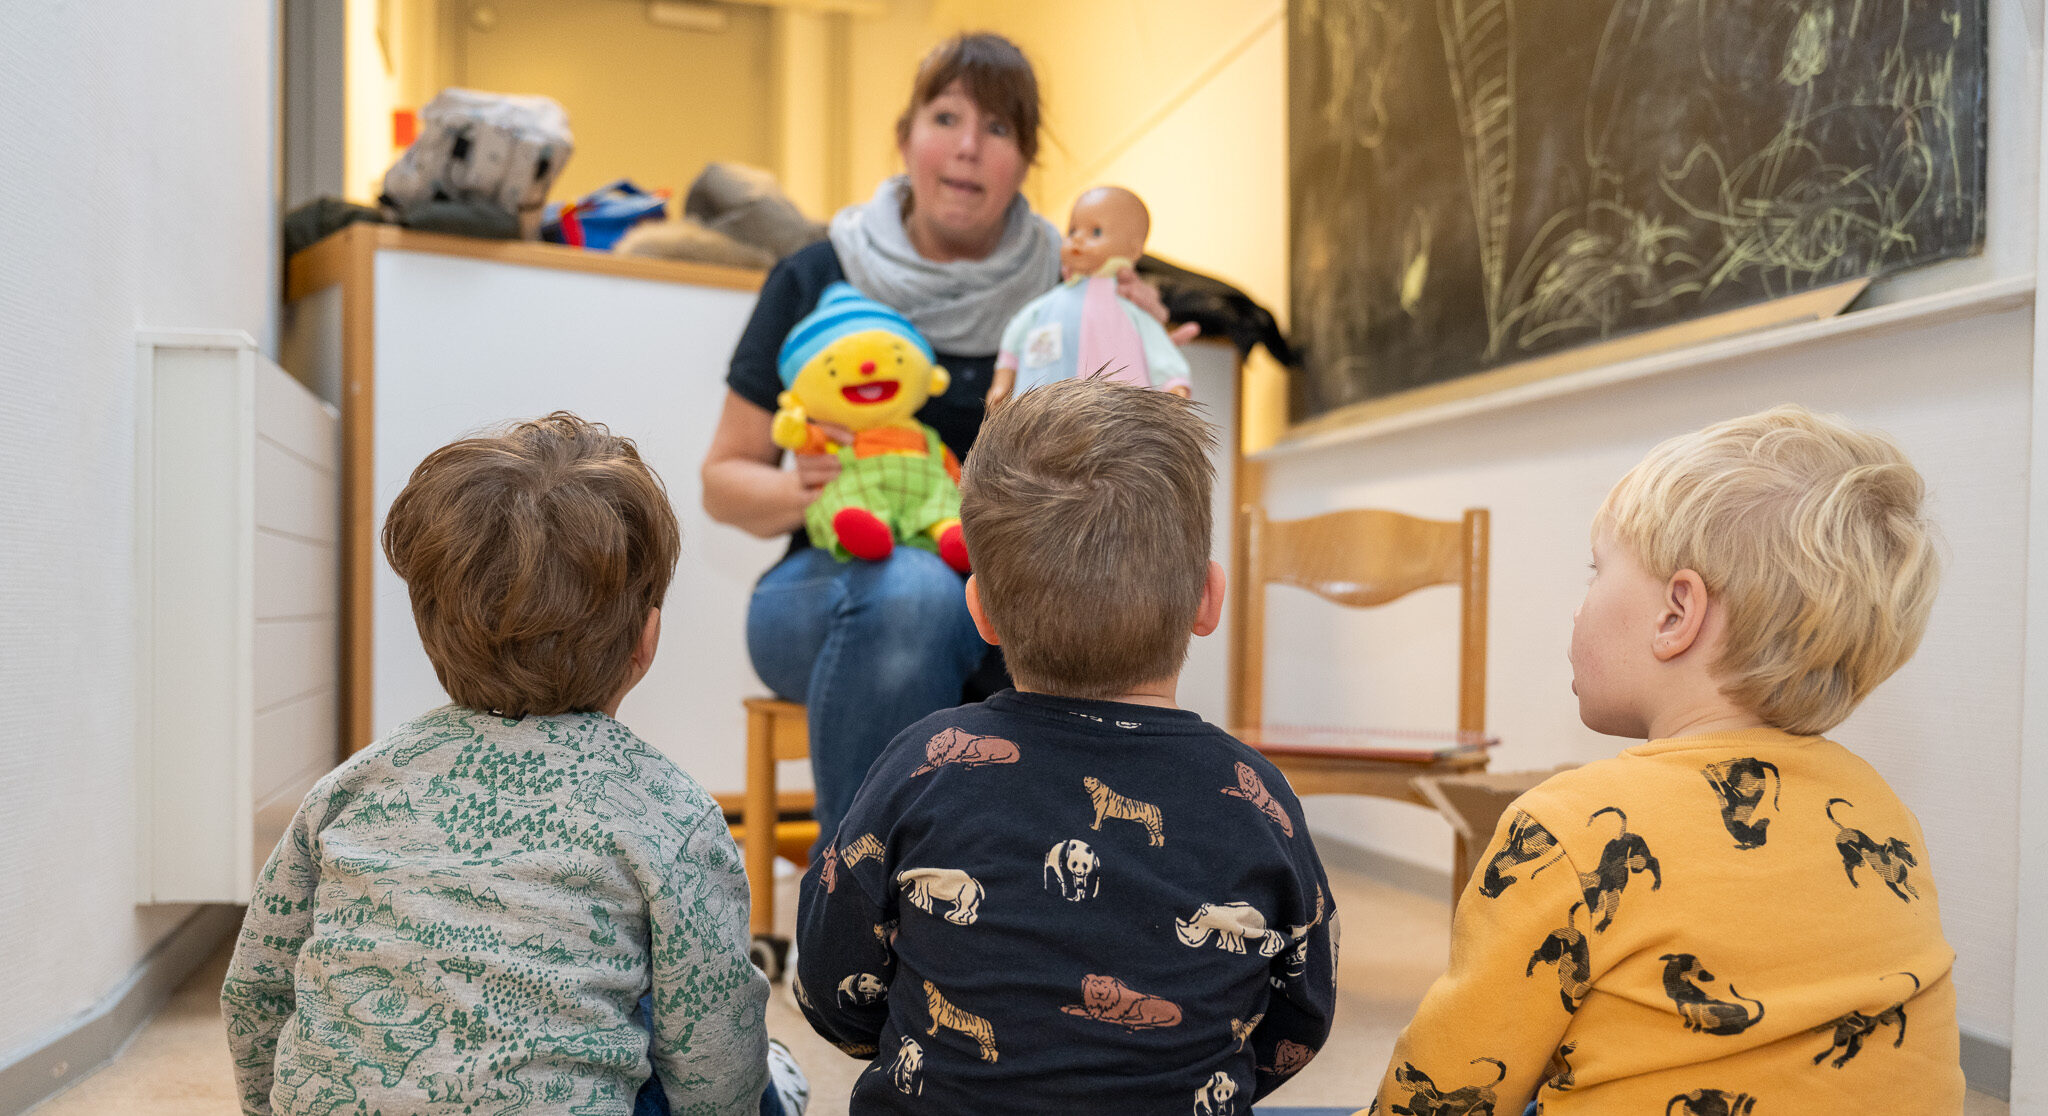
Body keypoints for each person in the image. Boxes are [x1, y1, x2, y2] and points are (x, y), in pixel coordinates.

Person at [1363, 405, 1961, 1114]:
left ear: (1677, 614)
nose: (1578, 608)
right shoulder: (1882, 810)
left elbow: (1446, 1091)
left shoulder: (1570, 828)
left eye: (1597, 571)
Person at [220, 414, 805, 1116]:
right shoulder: (669, 812)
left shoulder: (350, 790)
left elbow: (256, 990)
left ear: (430, 629)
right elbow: (714, 1054)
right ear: (645, 639)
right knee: (693, 1026)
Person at [792, 379, 1337, 1114]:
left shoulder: (925, 762)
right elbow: (1302, 1014)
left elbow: (831, 986)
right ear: (1209, 599)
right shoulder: (1255, 794)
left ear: (979, 608)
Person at [701, 32, 1191, 847]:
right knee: (915, 593)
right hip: (827, 592)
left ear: (1025, 163)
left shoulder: (1066, 291)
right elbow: (722, 481)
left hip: (1016, 605)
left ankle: (1025, 920)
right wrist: (804, 489)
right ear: (905, 139)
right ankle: (861, 905)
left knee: (1087, 623)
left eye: (998, 129)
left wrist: (1137, 337)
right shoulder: (818, 274)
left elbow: (1128, 474)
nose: (968, 147)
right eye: (946, 117)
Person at [988, 184, 1192, 408]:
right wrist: (1002, 381)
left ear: (1132, 251)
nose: (1077, 239)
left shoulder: (1130, 314)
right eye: (1073, 230)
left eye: (1096, 232)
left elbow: (1160, 351)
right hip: (1044, 418)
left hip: (1114, 418)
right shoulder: (1044, 308)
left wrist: (1174, 385)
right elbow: (1014, 338)